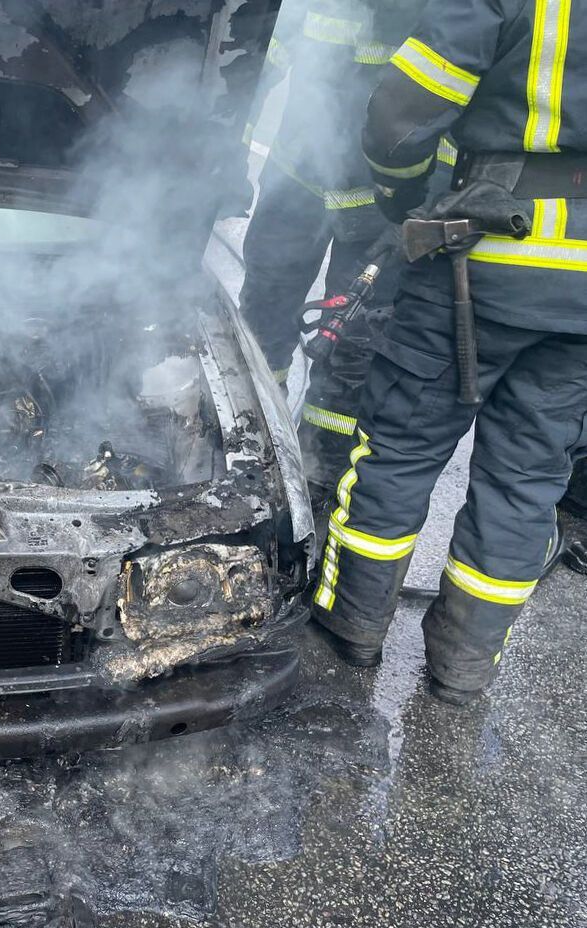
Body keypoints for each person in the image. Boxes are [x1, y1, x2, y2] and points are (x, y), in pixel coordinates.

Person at [311, 0, 587, 703]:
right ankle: (461, 671)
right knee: (528, 476)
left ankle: (353, 630)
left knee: (399, 448)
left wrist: (399, 198)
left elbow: (403, 112)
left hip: (481, 260)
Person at [239, 0, 438, 491]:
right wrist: (221, 152)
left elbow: (452, 113)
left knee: (353, 349)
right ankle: (251, 443)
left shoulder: (444, 13)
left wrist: (424, 207)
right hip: (297, 184)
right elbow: (255, 60)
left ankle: (318, 477)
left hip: (386, 207)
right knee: (262, 318)